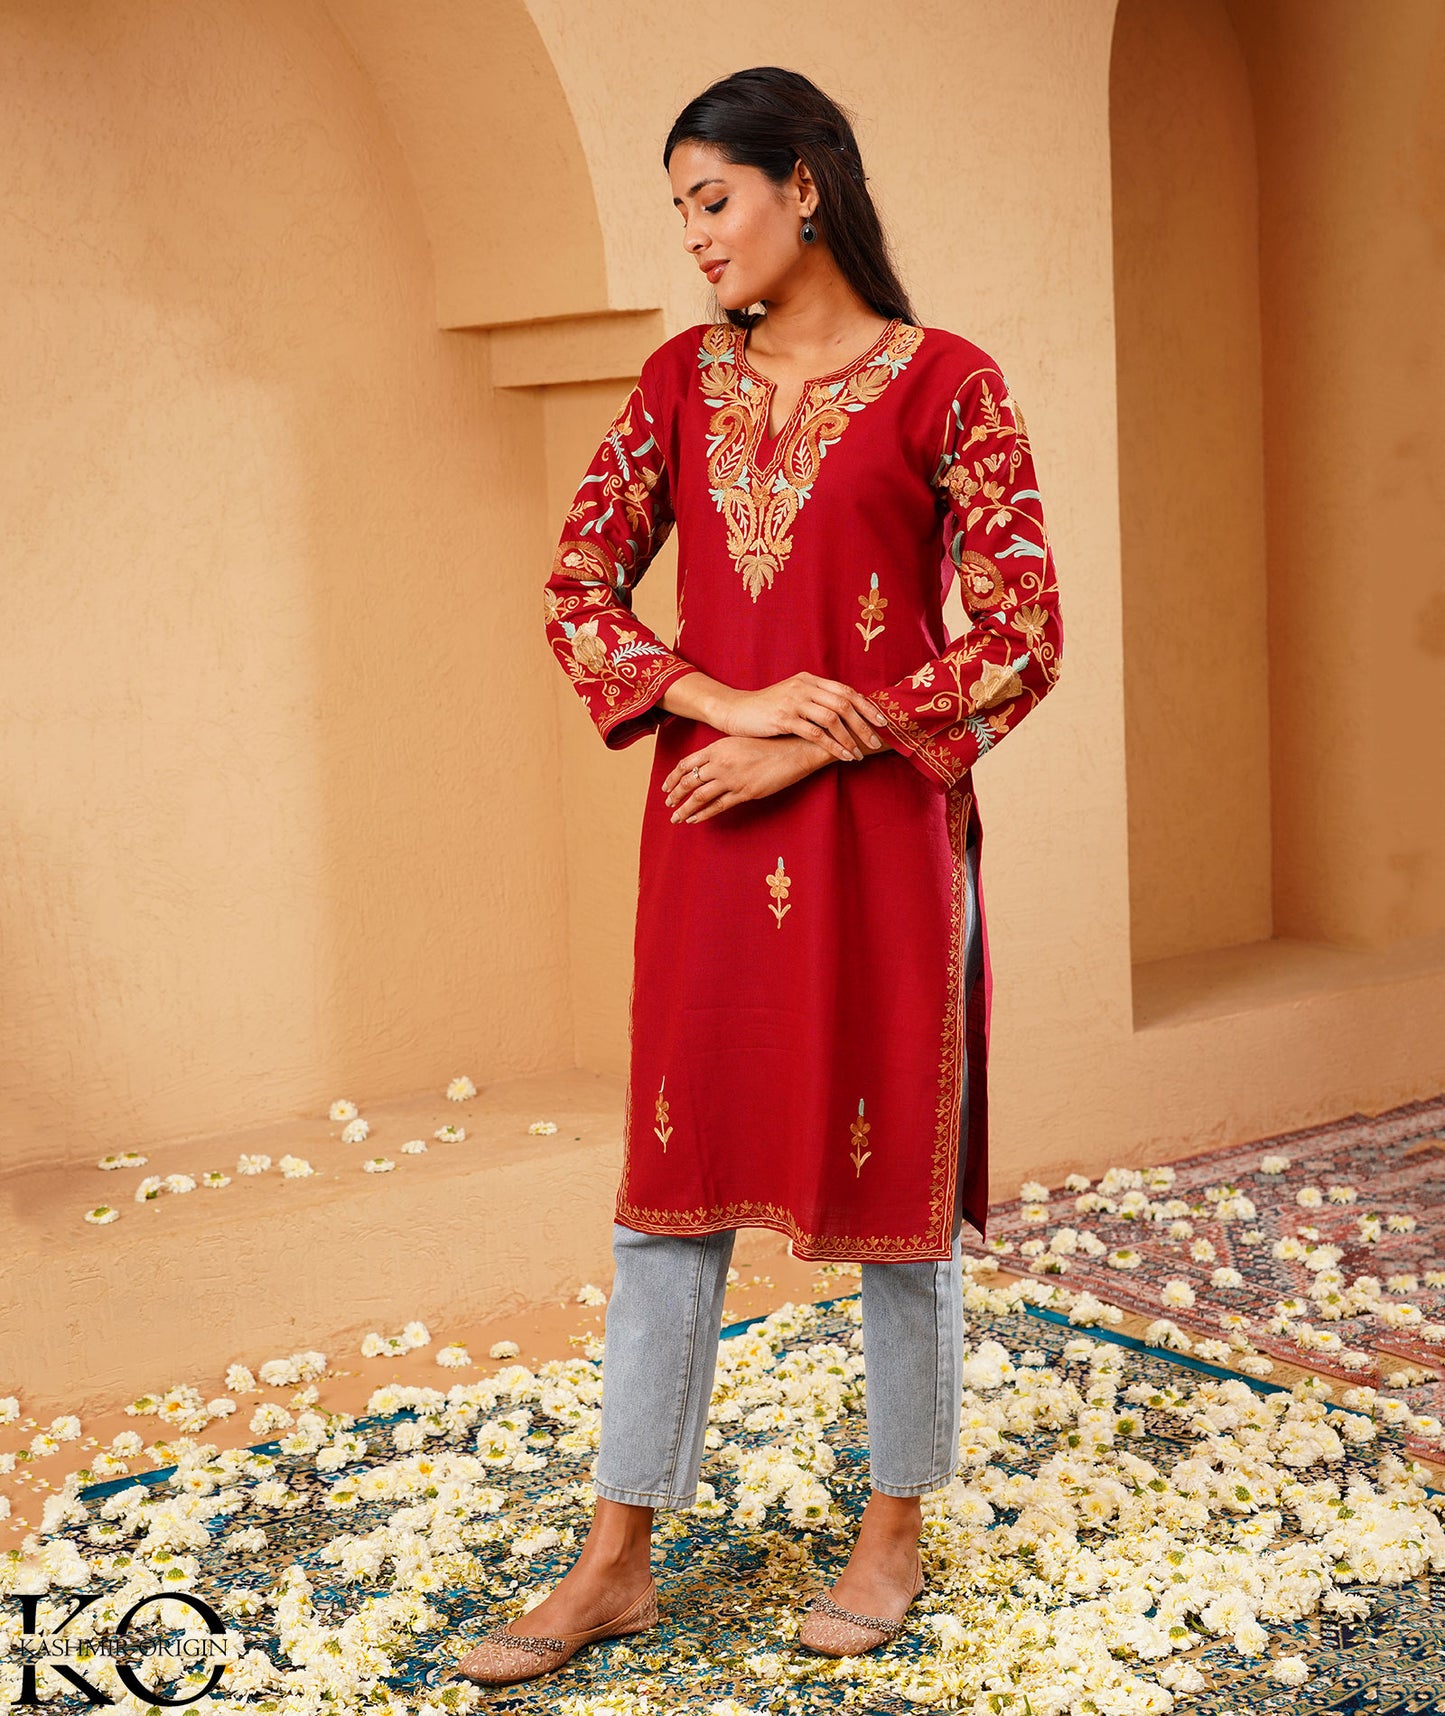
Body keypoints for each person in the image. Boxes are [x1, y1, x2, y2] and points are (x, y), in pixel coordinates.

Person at [446, 64, 1063, 1688]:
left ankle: (893, 1529)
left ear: (806, 183)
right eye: (679, 211)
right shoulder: (676, 383)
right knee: (671, 1188)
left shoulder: (949, 387)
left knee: (896, 1194)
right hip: (712, 829)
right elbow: (579, 584)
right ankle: (615, 1556)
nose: (696, 237)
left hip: (879, 838)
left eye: (712, 199)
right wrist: (722, 702)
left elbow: (1022, 634)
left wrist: (818, 741)